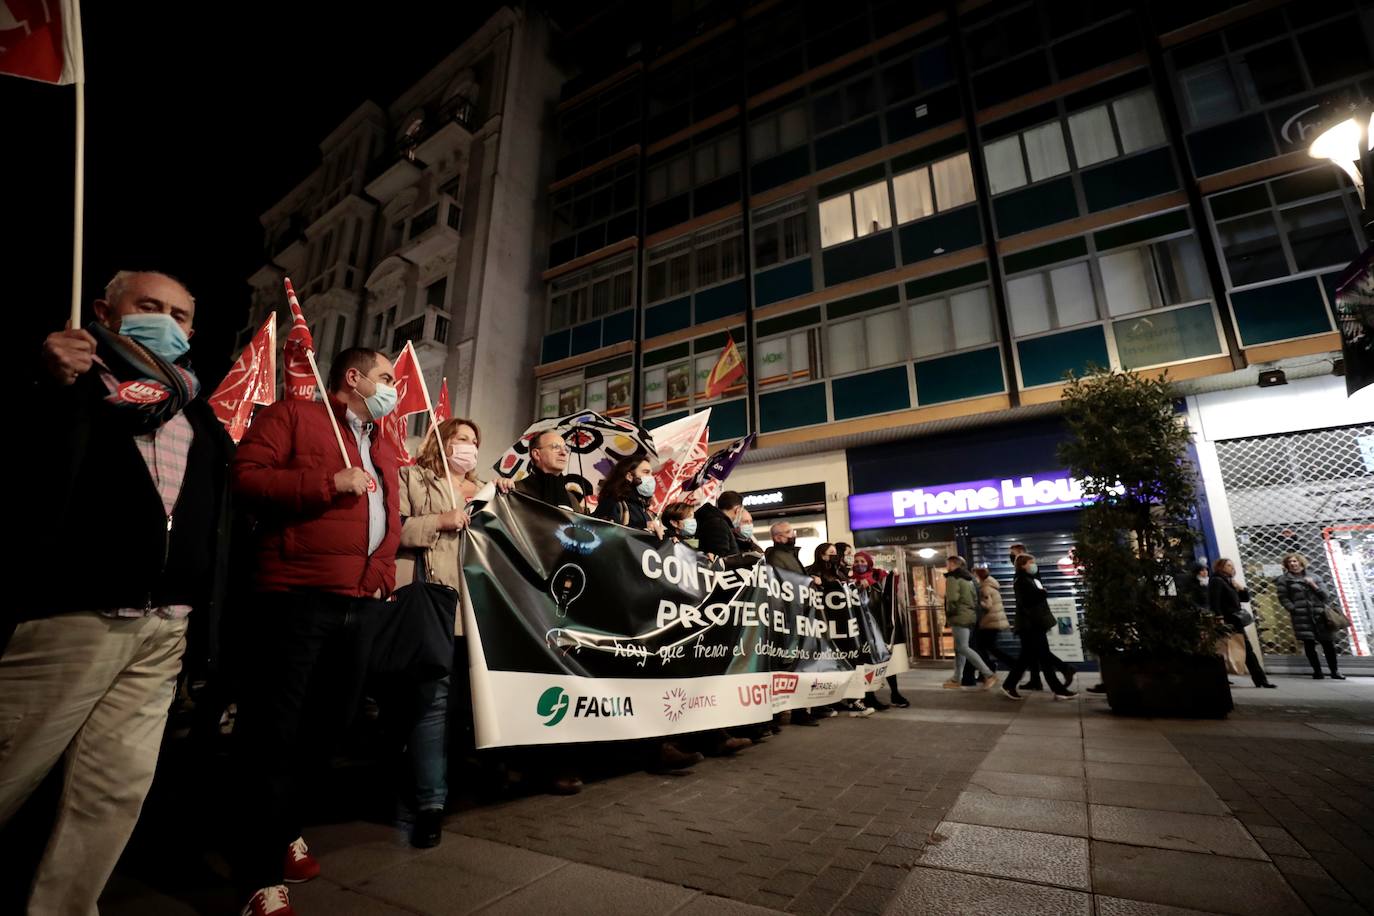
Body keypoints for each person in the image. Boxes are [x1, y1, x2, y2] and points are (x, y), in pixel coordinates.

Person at [1, 271, 233, 915]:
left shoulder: (194, 406)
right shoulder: (72, 384)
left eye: (180, 315)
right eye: (149, 307)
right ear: (107, 310)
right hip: (76, 615)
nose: (167, 321)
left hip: (164, 629)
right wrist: (41, 378)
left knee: (113, 791)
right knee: (10, 772)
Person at [230, 346, 404, 916]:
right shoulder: (294, 416)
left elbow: (392, 522)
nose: (391, 387)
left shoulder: (382, 446)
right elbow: (247, 478)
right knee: (275, 732)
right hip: (296, 598)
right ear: (352, 378)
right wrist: (329, 482)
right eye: (384, 377)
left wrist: (378, 574)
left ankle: (284, 829)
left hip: (360, 604)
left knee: (332, 727)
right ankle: (258, 873)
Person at [393, 417, 483, 848]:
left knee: (469, 703)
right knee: (433, 701)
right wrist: (439, 521)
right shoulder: (412, 478)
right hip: (436, 602)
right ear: (441, 444)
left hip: (482, 614)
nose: (469, 447)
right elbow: (392, 531)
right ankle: (430, 802)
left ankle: (465, 783)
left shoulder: (487, 491)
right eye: (460, 439)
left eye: (474, 441)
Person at [1001, 554, 1076, 701]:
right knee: (1041, 657)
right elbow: (1026, 602)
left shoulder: (1030, 579)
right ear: (1023, 565)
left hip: (1033, 625)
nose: (1034, 564)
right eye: (1031, 562)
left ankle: (1010, 685)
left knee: (1032, 658)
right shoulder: (1021, 580)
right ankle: (1060, 686)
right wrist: (1042, 593)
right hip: (1030, 626)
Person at [1275, 553, 1344, 680]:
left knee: (1328, 644)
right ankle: (1317, 671)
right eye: (1290, 562)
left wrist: (1313, 585)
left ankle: (1335, 671)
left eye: (1295, 561)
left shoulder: (1314, 577)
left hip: (1320, 615)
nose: (1292, 564)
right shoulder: (1284, 580)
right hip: (1301, 616)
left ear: (1301, 562)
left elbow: (1325, 596)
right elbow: (1283, 597)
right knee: (1309, 644)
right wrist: (1292, 608)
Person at [1209, 559, 1275, 689]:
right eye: (1228, 565)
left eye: (1232, 565)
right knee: (1231, 650)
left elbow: (1245, 598)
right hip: (1228, 621)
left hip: (1235, 620)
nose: (1231, 568)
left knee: (1246, 649)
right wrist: (1219, 617)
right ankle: (1260, 679)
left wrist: (1241, 588)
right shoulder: (1217, 580)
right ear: (1220, 567)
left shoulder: (1229, 581)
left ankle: (1260, 679)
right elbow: (1214, 601)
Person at [942, 557, 998, 690]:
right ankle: (956, 678)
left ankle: (988, 674)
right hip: (970, 616)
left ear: (953, 564)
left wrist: (950, 615)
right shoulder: (969, 578)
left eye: (947, 564)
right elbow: (975, 599)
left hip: (959, 617)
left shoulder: (952, 578)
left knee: (963, 648)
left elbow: (952, 600)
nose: (946, 566)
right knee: (959, 649)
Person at [506, 430, 586, 511]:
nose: (563, 453)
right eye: (556, 447)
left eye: (566, 448)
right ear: (536, 454)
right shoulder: (515, 491)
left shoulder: (572, 500)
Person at [594, 453, 662, 538]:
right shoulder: (613, 502)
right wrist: (643, 526)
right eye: (646, 472)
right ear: (629, 476)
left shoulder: (645, 510)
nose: (651, 478)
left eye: (651, 473)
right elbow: (604, 534)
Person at [973, 566, 1016, 673]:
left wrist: (977, 603)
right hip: (995, 621)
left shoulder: (985, 588)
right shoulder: (992, 586)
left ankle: (1010, 664)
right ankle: (993, 667)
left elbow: (988, 605)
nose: (974, 578)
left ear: (979, 576)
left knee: (983, 647)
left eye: (975, 575)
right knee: (988, 647)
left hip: (990, 622)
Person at [694, 490, 745, 562]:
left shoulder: (714, 521)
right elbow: (719, 558)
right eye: (742, 511)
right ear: (738, 510)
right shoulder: (719, 524)